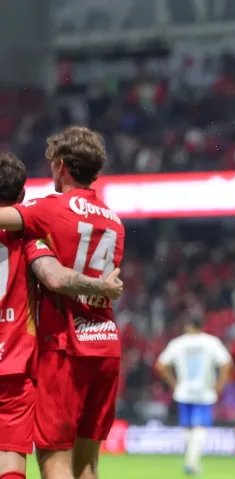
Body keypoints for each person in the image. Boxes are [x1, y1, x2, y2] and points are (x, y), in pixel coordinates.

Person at [0, 126, 126, 479]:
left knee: (54, 460)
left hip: (66, 348)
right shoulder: (116, 222)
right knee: (87, 464)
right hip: (106, 346)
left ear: (60, 166)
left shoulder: (52, 209)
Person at [155, 318, 232, 476]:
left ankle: (190, 460)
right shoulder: (211, 342)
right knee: (200, 427)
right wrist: (219, 385)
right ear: (201, 327)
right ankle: (192, 461)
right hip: (204, 392)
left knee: (188, 427)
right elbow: (226, 363)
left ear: (187, 326)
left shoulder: (178, 343)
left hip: (183, 391)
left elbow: (160, 365)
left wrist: (173, 383)